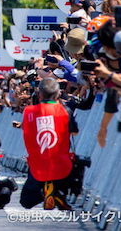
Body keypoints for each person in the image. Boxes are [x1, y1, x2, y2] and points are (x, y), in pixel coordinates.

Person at [20, 77, 79, 210]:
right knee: (75, 168)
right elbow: (74, 132)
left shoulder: (28, 111)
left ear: (39, 94)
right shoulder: (65, 111)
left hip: (37, 165)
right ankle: (57, 192)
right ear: (58, 93)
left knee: (26, 202)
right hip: (62, 165)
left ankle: (45, 192)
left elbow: (26, 129)